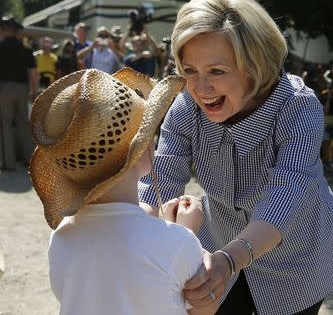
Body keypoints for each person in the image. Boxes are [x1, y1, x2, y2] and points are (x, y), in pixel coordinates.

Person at [138, 0, 333, 314]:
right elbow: (159, 181)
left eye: (217, 71)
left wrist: (228, 260)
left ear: (254, 65)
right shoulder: (186, 106)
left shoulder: (298, 107)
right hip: (219, 242)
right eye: (190, 70)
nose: (200, 87)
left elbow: (283, 198)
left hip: (296, 260)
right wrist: (128, 228)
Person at [29, 67, 217, 315]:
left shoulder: (62, 237)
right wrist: (186, 233)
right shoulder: (178, 243)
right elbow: (203, 309)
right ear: (142, 151)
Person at [0, 15, 38, 170]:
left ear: (2, 30)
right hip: (22, 88)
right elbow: (34, 73)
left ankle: (8, 163)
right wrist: (34, 90)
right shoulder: (26, 50)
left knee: (6, 124)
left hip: (4, 88)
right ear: (16, 32)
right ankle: (29, 159)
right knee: (23, 122)